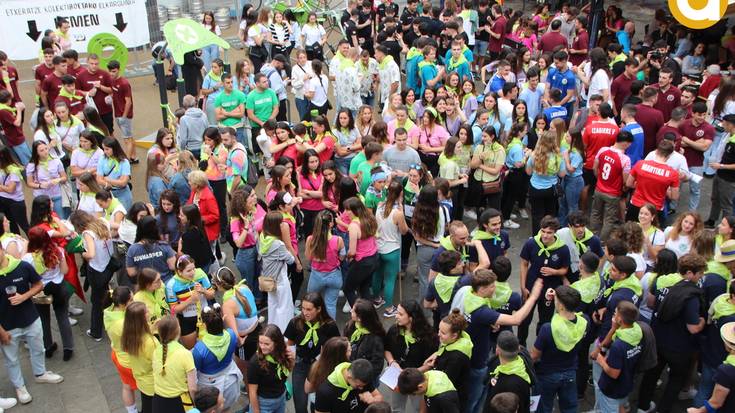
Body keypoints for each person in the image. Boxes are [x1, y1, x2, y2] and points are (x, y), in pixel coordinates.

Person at [451, 270, 543, 413]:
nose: (495, 288)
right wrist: (534, 297)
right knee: (473, 401)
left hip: (471, 354)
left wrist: (490, 323)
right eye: (492, 286)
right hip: (477, 363)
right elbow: (516, 319)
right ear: (482, 289)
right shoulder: (481, 312)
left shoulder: (469, 293)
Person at [638, 253, 707, 413]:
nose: (701, 276)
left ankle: (642, 406)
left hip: (659, 338)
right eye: (700, 273)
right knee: (675, 380)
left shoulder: (662, 281)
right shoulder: (691, 296)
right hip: (679, 346)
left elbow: (651, 303)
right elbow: (693, 328)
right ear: (689, 273)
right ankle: (663, 409)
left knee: (651, 374)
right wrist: (703, 321)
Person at [0, 238, 65, 406]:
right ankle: (19, 386)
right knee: (12, 359)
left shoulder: (22, 266)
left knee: (38, 348)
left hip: (31, 318)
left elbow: (38, 284)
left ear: (2, 250)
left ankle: (40, 373)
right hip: (7, 325)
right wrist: (1, 331)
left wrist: (24, 296)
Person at [529, 285, 588, 413]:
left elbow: (534, 355)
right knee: (570, 408)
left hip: (547, 374)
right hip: (570, 371)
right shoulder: (584, 322)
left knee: (543, 408)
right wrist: (554, 300)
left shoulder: (547, 329)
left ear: (561, 306)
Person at [518, 215, 571, 346]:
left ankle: (539, 346)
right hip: (531, 286)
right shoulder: (531, 243)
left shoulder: (563, 249)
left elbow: (565, 269)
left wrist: (554, 272)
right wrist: (523, 286)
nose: (545, 235)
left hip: (550, 289)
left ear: (555, 232)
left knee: (545, 320)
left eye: (549, 232)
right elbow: (524, 264)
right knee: (524, 318)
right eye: (543, 231)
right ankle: (521, 345)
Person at [285, 293, 340, 413]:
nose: (305, 312)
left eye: (309, 309)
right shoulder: (295, 322)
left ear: (319, 309)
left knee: (318, 403)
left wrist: (323, 360)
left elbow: (335, 348)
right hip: (300, 365)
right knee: (300, 405)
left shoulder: (330, 326)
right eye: (303, 308)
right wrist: (291, 359)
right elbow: (290, 344)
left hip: (321, 367)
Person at [68, 210, 114, 342]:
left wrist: (83, 253)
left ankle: (96, 332)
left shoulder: (87, 233)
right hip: (108, 266)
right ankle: (110, 319)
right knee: (106, 294)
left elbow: (91, 254)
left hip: (97, 270)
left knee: (96, 301)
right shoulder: (102, 222)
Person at [385, 300, 438, 412]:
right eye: (397, 312)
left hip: (417, 379)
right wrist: (392, 362)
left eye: (400, 314)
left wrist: (412, 374)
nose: (396, 316)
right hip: (396, 377)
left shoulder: (428, 337)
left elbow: (431, 363)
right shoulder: (394, 330)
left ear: (411, 318)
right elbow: (387, 349)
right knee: (397, 408)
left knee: (417, 408)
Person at [593, 301, 644, 413]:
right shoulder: (637, 333)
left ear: (620, 320)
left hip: (612, 390)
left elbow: (614, 373)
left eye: (615, 313)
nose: (613, 315)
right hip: (626, 383)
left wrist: (601, 361)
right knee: (621, 407)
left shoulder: (618, 345)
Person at [192, 303, 241, 411]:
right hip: (230, 381)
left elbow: (196, 369)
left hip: (210, 388)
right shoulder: (231, 334)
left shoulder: (200, 348)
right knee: (227, 408)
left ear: (205, 325)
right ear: (221, 320)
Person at [590, 130, 633, 240]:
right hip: (613, 193)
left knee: (595, 214)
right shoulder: (625, 159)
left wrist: (599, 180)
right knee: (609, 220)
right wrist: (625, 188)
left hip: (599, 189)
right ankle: (601, 242)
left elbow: (595, 168)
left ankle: (593, 238)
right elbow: (625, 180)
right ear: (625, 143)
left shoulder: (603, 150)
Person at [625, 139, 680, 224]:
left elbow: (628, 183)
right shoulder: (673, 173)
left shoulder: (640, 164)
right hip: (655, 209)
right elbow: (674, 196)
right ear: (670, 155)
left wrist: (640, 184)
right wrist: (665, 190)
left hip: (636, 205)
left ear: (656, 151)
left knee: (631, 230)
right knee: (651, 231)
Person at [152, 315, 197, 412]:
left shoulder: (156, 351)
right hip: (179, 403)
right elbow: (192, 388)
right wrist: (195, 404)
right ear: (178, 330)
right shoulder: (185, 354)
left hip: (158, 402)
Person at [259, 212, 295, 332]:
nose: (283, 224)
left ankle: (272, 330)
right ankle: (284, 332)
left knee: (273, 305)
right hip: (280, 280)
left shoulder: (262, 237)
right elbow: (291, 260)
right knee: (285, 308)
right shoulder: (278, 244)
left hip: (269, 280)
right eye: (281, 223)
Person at [526, 132, 566, 235]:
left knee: (536, 215)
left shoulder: (534, 155)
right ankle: (550, 235)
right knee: (550, 214)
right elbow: (562, 174)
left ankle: (537, 236)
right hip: (551, 189)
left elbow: (528, 172)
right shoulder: (558, 157)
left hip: (535, 188)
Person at [248, 324, 294, 413]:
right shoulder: (255, 362)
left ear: (276, 343)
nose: (262, 347)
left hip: (281, 399)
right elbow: (252, 392)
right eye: (260, 342)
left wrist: (292, 360)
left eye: (266, 344)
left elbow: (288, 372)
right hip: (264, 404)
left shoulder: (283, 353)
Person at [122, 301, 157, 413]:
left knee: (146, 405)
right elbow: (158, 362)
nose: (149, 311)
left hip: (141, 380)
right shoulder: (150, 342)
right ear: (141, 318)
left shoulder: (129, 335)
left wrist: (152, 328)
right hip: (153, 383)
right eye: (146, 311)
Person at [680, 102, 715, 210]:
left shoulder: (709, 128)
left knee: (695, 190)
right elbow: (678, 142)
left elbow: (704, 147)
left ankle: (692, 212)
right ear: (693, 113)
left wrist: (687, 140)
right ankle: (672, 207)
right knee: (676, 186)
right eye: (699, 115)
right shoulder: (683, 124)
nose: (702, 117)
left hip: (697, 164)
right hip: (681, 162)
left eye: (704, 114)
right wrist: (697, 143)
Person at [314, 358, 383, 412]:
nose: (361, 388)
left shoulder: (362, 374)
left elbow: (379, 397)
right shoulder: (325, 392)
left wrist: (373, 400)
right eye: (358, 386)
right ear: (349, 377)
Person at [107, 60, 136, 162]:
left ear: (119, 70)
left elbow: (128, 102)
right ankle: (134, 157)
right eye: (110, 71)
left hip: (124, 116)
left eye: (114, 71)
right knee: (129, 137)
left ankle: (126, 162)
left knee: (127, 139)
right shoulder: (112, 80)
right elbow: (113, 92)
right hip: (118, 113)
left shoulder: (124, 84)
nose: (112, 74)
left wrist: (124, 116)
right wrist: (110, 97)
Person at [96, 137, 132, 210]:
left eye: (107, 149)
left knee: (124, 214)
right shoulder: (102, 159)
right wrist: (109, 184)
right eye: (103, 149)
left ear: (114, 148)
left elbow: (123, 183)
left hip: (122, 194)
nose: (105, 151)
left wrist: (107, 180)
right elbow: (99, 179)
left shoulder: (124, 162)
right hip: (108, 193)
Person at [0, 144, 28, 235]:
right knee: (12, 225)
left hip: (15, 202)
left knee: (24, 225)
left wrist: (1, 187)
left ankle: (35, 242)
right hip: (3, 200)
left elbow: (10, 189)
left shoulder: (13, 170)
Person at [246, 73, 279, 143]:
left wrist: (269, 121)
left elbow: (276, 108)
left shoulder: (271, 92)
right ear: (257, 84)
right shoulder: (251, 96)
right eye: (264, 82)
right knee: (258, 148)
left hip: (271, 125)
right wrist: (261, 123)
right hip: (257, 127)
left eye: (267, 81)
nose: (267, 83)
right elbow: (250, 114)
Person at [0, 90, 30, 165]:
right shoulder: (3, 111)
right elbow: (17, 123)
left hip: (17, 137)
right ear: (8, 100)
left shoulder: (4, 108)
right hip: (16, 140)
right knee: (27, 160)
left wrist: (17, 108)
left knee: (29, 156)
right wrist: (19, 110)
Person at [177, 95, 208, 159]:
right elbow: (207, 130)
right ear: (195, 103)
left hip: (191, 149)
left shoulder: (184, 119)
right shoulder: (203, 115)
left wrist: (182, 150)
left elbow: (183, 139)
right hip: (203, 147)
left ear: (184, 105)